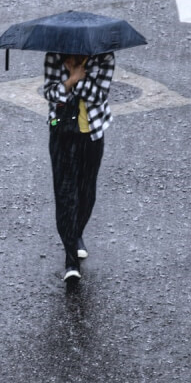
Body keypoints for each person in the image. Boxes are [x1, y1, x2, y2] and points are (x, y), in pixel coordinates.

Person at [43, 51, 114, 282]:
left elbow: (99, 95)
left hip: (92, 135)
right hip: (60, 131)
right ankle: (71, 261)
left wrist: (74, 81)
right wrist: (71, 80)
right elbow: (50, 93)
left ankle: (75, 234)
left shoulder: (104, 58)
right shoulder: (54, 56)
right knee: (65, 197)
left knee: (86, 194)